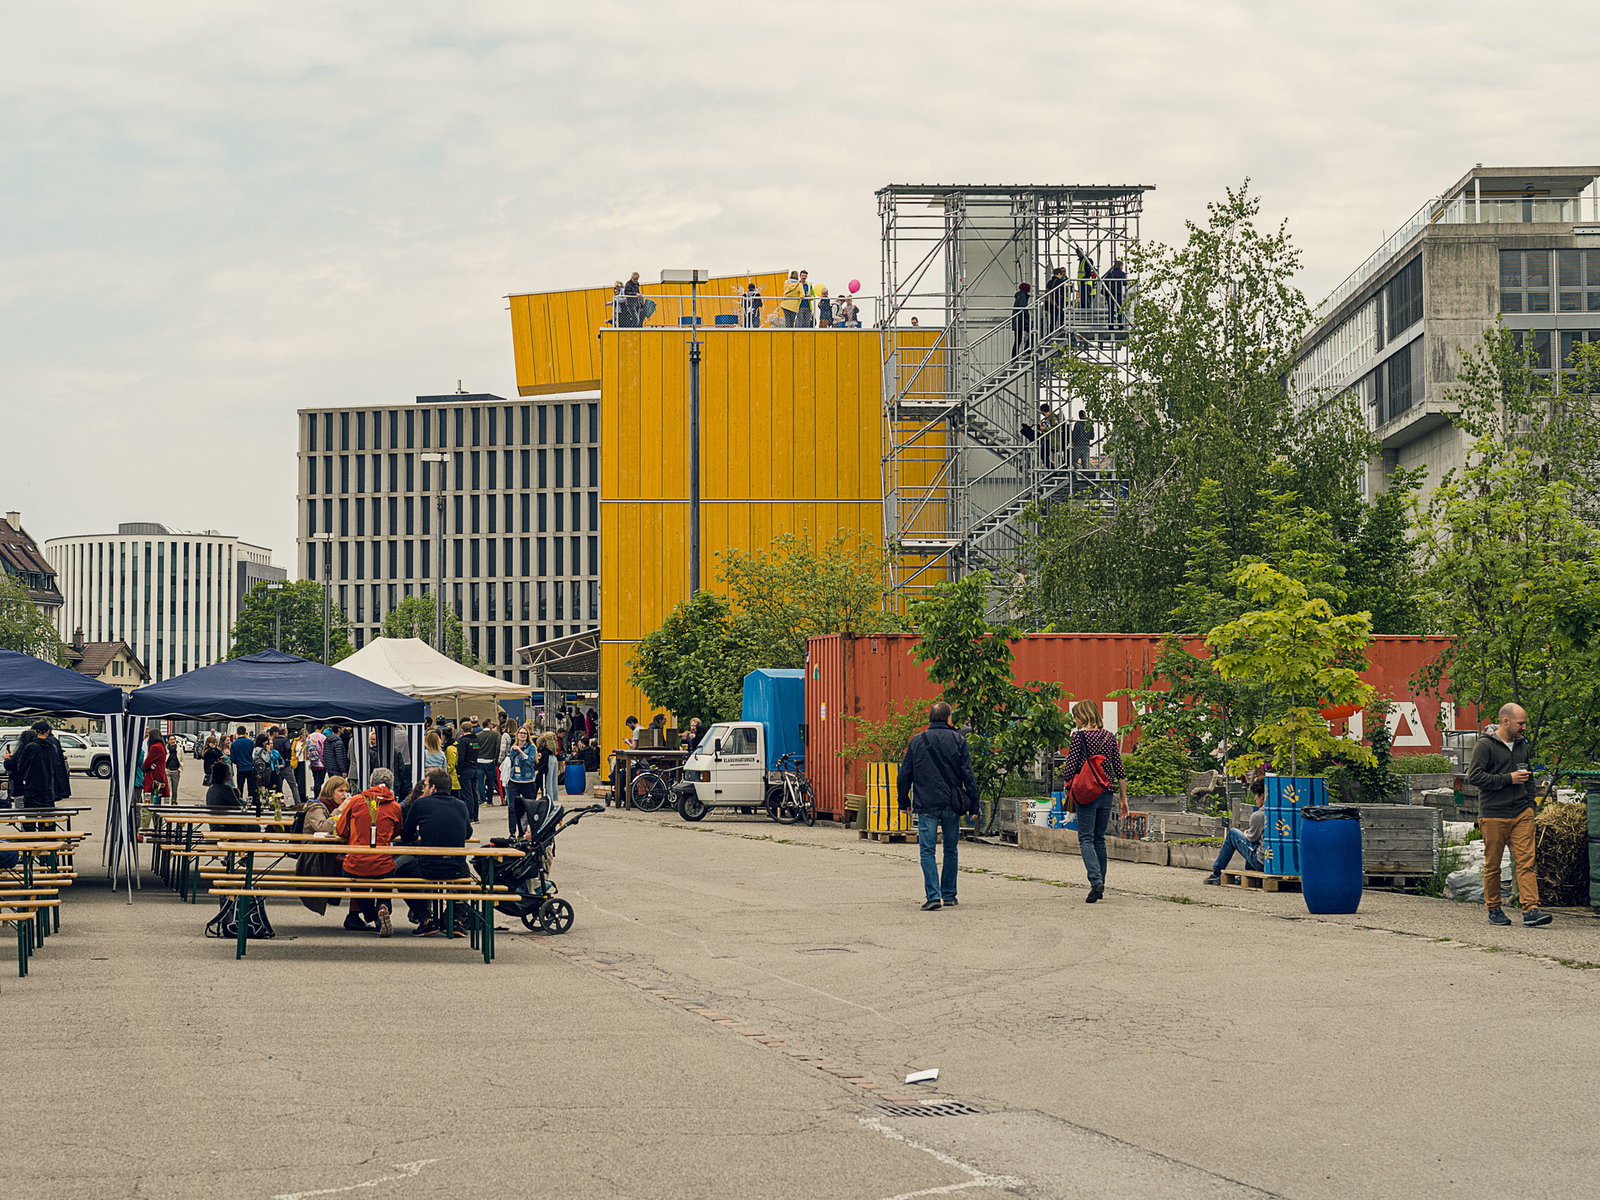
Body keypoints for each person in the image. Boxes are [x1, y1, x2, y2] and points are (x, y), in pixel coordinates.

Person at [1468, 702, 1553, 927]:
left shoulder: (1522, 745)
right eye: (1520, 723)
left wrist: (1530, 805)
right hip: (1494, 813)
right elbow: (1474, 777)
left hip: (1521, 813)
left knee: (1526, 861)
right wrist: (1508, 779)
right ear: (1505, 721)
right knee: (1493, 865)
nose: (1524, 727)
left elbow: (1530, 776)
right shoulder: (1485, 745)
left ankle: (1531, 909)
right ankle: (1494, 909)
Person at [896, 702, 979, 911]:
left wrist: (903, 802)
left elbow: (904, 775)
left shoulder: (917, 741)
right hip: (952, 803)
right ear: (948, 718)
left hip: (926, 804)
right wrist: (974, 806)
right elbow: (968, 774)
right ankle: (949, 895)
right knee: (951, 849)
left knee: (927, 850)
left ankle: (933, 896)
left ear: (930, 718)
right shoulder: (959, 740)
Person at [1061, 699, 1128, 903]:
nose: (1075, 720)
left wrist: (1069, 784)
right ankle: (1100, 884)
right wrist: (1124, 798)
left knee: (1086, 838)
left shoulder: (1078, 737)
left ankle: (1095, 880)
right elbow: (1119, 769)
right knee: (1099, 838)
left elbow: (1069, 768)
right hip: (1106, 792)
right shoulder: (1109, 737)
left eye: (1076, 716)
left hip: (1086, 794)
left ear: (1083, 716)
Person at [396, 768, 474, 934]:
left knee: (401, 873)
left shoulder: (420, 804)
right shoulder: (461, 805)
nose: (423, 788)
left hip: (429, 867)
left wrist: (421, 832)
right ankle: (455, 919)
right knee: (465, 872)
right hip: (455, 868)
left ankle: (425, 918)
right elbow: (468, 833)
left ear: (432, 788)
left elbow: (406, 834)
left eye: (425, 785)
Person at [335, 767, 403, 936]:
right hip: (382, 864)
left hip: (356, 862)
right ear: (391, 786)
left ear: (371, 783)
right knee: (386, 873)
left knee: (353, 874)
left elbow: (341, 830)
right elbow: (396, 832)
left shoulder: (357, 801)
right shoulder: (395, 806)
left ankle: (372, 915)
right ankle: (383, 907)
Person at [292, 775, 345, 915]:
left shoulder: (332, 806)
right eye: (341, 791)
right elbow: (323, 827)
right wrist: (340, 811)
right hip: (314, 854)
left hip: (328, 851)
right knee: (352, 867)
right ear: (330, 791)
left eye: (346, 791)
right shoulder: (317, 807)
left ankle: (355, 913)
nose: (344, 795)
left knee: (356, 865)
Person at [1203, 778, 1266, 883]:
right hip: (1274, 862)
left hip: (1261, 861)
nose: (1254, 798)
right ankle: (1250, 876)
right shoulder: (1278, 812)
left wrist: (1246, 834)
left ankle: (1216, 873)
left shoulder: (1259, 815)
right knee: (1254, 844)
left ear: (1262, 795)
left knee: (1233, 833)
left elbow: (1251, 839)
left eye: (1256, 795)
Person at [12, 721, 70, 810]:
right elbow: (55, 765)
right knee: (47, 818)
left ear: (35, 732)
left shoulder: (30, 747)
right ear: (48, 731)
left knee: (30, 818)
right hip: (48, 788)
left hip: (32, 788)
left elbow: (21, 766)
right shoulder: (53, 747)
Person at [506, 726, 539, 837]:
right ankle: (512, 832)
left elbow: (530, 762)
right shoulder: (512, 748)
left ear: (527, 736)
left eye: (524, 733)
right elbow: (511, 762)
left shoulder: (531, 748)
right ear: (517, 734)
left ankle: (525, 831)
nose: (522, 735)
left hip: (527, 781)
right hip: (514, 780)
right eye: (520, 733)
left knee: (529, 808)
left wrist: (520, 751)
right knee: (512, 807)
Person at [456, 716, 483, 821]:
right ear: (471, 729)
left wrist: (459, 770)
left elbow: (461, 757)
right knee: (474, 793)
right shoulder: (476, 739)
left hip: (466, 769)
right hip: (475, 767)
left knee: (468, 794)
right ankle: (476, 816)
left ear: (461, 730)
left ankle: (469, 816)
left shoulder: (463, 741)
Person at [475, 719, 502, 809]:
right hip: (490, 761)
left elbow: (475, 747)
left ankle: (483, 801)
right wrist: (496, 758)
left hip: (479, 761)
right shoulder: (495, 735)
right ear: (489, 725)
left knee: (480, 782)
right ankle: (490, 800)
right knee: (490, 781)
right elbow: (498, 746)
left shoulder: (478, 736)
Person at [142, 731, 170, 802]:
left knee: (150, 803)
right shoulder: (161, 746)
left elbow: (145, 764)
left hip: (153, 780)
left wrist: (148, 765)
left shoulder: (155, 747)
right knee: (157, 801)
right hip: (160, 778)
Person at [230, 726, 256, 800]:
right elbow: (253, 755)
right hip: (250, 767)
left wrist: (238, 762)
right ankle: (250, 802)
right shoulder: (250, 742)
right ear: (245, 732)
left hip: (240, 768)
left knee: (240, 787)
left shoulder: (234, 744)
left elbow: (232, 758)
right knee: (251, 787)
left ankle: (240, 801)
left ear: (237, 733)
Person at [1103, 258, 1127, 329]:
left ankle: (1111, 325)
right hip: (1118, 293)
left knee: (1111, 309)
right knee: (1119, 309)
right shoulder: (1122, 274)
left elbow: (1105, 281)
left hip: (1110, 293)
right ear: (1120, 266)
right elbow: (1125, 283)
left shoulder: (1110, 273)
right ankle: (1120, 324)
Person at [1045, 265, 1068, 334]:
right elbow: (1059, 294)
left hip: (1050, 303)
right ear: (1059, 274)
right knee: (1060, 317)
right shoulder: (1059, 282)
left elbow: (1047, 292)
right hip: (1057, 303)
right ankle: (1060, 330)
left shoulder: (1050, 282)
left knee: (1052, 320)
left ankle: (1050, 333)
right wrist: (1058, 304)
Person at [1010, 281, 1032, 357]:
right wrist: (1028, 319)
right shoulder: (1023, 296)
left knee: (1017, 340)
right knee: (1033, 333)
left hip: (1017, 320)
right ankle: (1027, 350)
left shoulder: (1019, 296)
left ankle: (1014, 357)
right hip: (1021, 320)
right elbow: (1023, 308)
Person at [1038, 403, 1061, 469]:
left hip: (1051, 440)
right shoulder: (1047, 418)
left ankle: (1052, 468)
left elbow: (1056, 427)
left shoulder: (1053, 417)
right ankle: (1051, 468)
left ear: (1042, 411)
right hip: (1048, 439)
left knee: (1043, 454)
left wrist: (1044, 428)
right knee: (1043, 454)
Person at [165, 732, 183, 800]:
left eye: (174, 739)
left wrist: (180, 769)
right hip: (167, 770)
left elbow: (182, 759)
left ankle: (174, 803)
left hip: (176, 771)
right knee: (167, 788)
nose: (173, 741)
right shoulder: (166, 748)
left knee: (174, 789)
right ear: (168, 741)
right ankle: (166, 803)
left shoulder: (179, 749)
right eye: (171, 739)